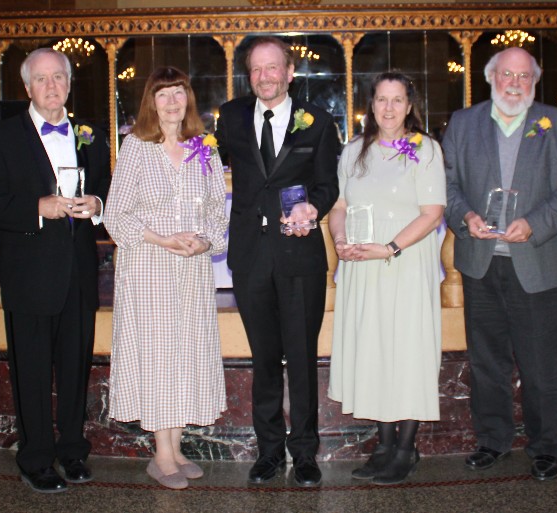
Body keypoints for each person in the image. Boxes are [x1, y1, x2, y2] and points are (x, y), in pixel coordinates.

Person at [443, 46, 557, 481]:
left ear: (535, 82)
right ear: (491, 78)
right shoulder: (464, 123)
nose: (514, 83)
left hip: (538, 260)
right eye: (506, 74)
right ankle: (492, 440)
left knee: (541, 362)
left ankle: (546, 446)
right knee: (487, 360)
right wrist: (464, 217)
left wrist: (535, 223)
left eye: (523, 77)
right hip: (480, 261)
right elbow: (446, 183)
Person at [0, 47, 110, 493]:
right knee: (30, 369)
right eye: (42, 79)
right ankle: (35, 458)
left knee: (75, 367)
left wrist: (98, 205)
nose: (52, 87)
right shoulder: (2, 137)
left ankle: (72, 450)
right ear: (27, 87)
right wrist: (38, 207)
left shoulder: (91, 134)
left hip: (79, 273)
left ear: (69, 83)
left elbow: (108, 190)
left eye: (59, 78)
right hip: (29, 273)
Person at [215, 36, 339, 487]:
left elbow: (328, 185)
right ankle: (268, 452)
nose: (264, 76)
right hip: (250, 256)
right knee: (264, 358)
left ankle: (305, 453)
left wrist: (314, 207)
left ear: (290, 72)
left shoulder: (319, 122)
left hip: (300, 256)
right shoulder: (229, 117)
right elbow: (210, 169)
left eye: (273, 68)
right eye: (256, 69)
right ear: (249, 75)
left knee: (302, 357)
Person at [104, 67, 229, 490]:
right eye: (163, 95)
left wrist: (204, 241)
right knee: (159, 357)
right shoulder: (137, 147)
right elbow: (116, 214)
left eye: (179, 93)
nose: (172, 102)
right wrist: (162, 238)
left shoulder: (205, 149)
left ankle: (175, 450)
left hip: (191, 269)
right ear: (150, 102)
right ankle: (161, 455)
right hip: (149, 267)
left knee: (185, 355)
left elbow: (217, 211)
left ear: (188, 99)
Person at [327, 72, 446, 485]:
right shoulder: (354, 151)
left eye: (398, 100)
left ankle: (405, 447)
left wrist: (390, 248)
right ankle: (382, 444)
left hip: (405, 264)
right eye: (382, 99)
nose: (389, 108)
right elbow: (338, 206)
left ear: (410, 106)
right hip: (363, 267)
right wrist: (340, 237)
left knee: (407, 352)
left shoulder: (424, 149)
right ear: (371, 105)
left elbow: (432, 213)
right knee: (373, 351)